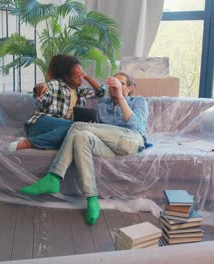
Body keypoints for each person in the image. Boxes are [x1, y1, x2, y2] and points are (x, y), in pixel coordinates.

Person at [20, 72, 149, 225]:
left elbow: (136, 127)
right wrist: (92, 128)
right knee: (81, 137)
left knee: (77, 126)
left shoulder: (138, 101)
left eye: (119, 83)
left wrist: (121, 97)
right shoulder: (102, 107)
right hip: (110, 147)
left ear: (128, 88)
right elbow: (101, 133)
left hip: (132, 141)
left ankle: (54, 177)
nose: (113, 85)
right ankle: (92, 200)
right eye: (112, 82)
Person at [8, 54, 105, 152]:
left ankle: (36, 141)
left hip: (57, 131)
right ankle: (28, 143)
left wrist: (86, 76)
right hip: (39, 125)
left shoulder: (79, 92)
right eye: (76, 77)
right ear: (66, 78)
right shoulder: (56, 85)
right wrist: (40, 88)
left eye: (81, 76)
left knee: (77, 133)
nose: (80, 79)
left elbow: (100, 92)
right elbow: (44, 89)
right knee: (76, 127)